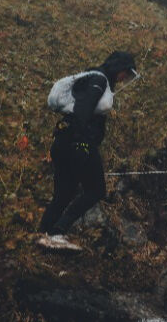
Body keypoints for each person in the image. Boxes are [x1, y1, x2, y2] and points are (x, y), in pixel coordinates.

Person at [36, 51, 138, 251]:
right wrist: (81, 143)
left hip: (63, 140)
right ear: (118, 68)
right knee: (96, 190)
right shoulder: (98, 81)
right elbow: (83, 109)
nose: (125, 77)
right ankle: (58, 231)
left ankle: (43, 234)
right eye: (126, 72)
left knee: (64, 193)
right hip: (77, 142)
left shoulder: (92, 77)